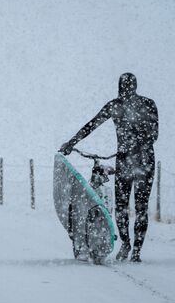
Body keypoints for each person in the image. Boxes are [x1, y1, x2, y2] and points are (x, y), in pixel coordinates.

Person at [59, 73, 158, 262]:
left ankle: (133, 248)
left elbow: (154, 135)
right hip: (137, 161)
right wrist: (72, 142)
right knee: (129, 207)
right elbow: (92, 125)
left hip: (137, 161)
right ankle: (130, 246)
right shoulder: (133, 105)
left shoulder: (130, 105)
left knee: (133, 207)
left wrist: (131, 146)